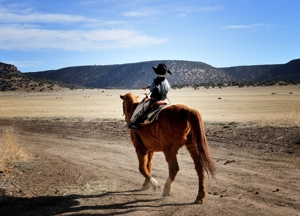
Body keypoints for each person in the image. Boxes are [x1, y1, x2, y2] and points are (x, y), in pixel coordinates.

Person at [129, 63, 172, 129]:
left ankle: (136, 124)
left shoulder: (156, 80)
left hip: (154, 100)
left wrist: (147, 87)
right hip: (163, 100)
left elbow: (152, 88)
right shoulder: (167, 82)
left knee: (142, 110)